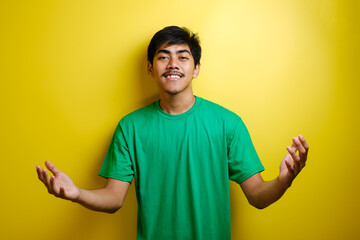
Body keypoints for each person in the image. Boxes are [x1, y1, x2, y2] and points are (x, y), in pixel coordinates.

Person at [36, 26, 309, 240]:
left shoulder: (228, 123)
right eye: (163, 56)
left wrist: (284, 180)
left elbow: (258, 196)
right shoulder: (130, 127)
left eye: (183, 56)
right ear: (150, 68)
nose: (173, 64)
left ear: (196, 68)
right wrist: (76, 194)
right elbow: (114, 198)